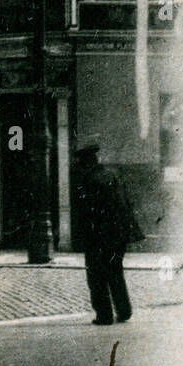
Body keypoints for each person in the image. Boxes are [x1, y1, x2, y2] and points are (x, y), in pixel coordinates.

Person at [74, 139, 138, 325]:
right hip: (119, 235)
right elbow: (125, 204)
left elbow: (88, 212)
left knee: (96, 276)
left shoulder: (87, 180)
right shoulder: (113, 174)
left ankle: (104, 315)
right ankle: (124, 311)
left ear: (86, 161)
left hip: (98, 236)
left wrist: (84, 237)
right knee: (116, 272)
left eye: (81, 161)